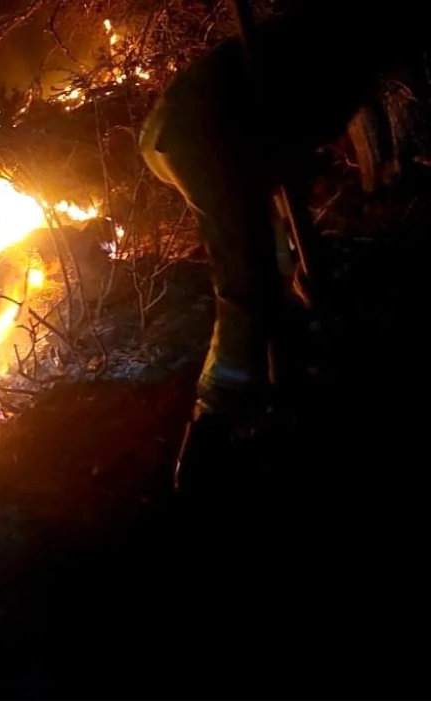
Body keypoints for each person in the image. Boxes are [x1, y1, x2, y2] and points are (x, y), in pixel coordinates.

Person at [138, 1, 420, 491]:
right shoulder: (342, 47)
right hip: (201, 133)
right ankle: (213, 427)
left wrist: (299, 249)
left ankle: (280, 370)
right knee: (247, 276)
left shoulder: (334, 41)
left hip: (212, 132)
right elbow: (292, 130)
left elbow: (288, 143)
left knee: (275, 258)